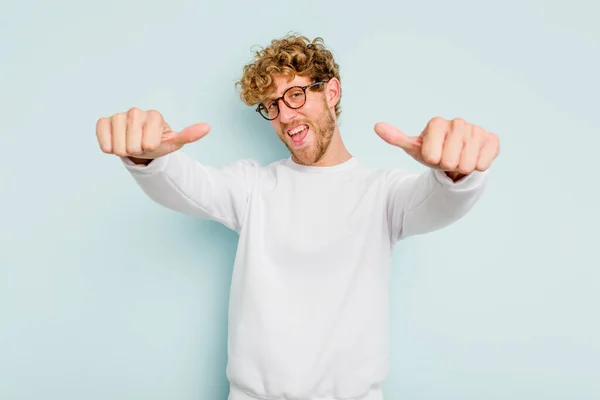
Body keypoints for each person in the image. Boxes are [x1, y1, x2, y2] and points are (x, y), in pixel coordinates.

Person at [95, 34, 499, 400]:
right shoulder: (253, 186)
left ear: (332, 92)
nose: (284, 116)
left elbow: (440, 202)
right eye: (271, 105)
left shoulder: (384, 193)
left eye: (295, 95)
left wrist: (456, 174)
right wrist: (147, 157)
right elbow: (187, 184)